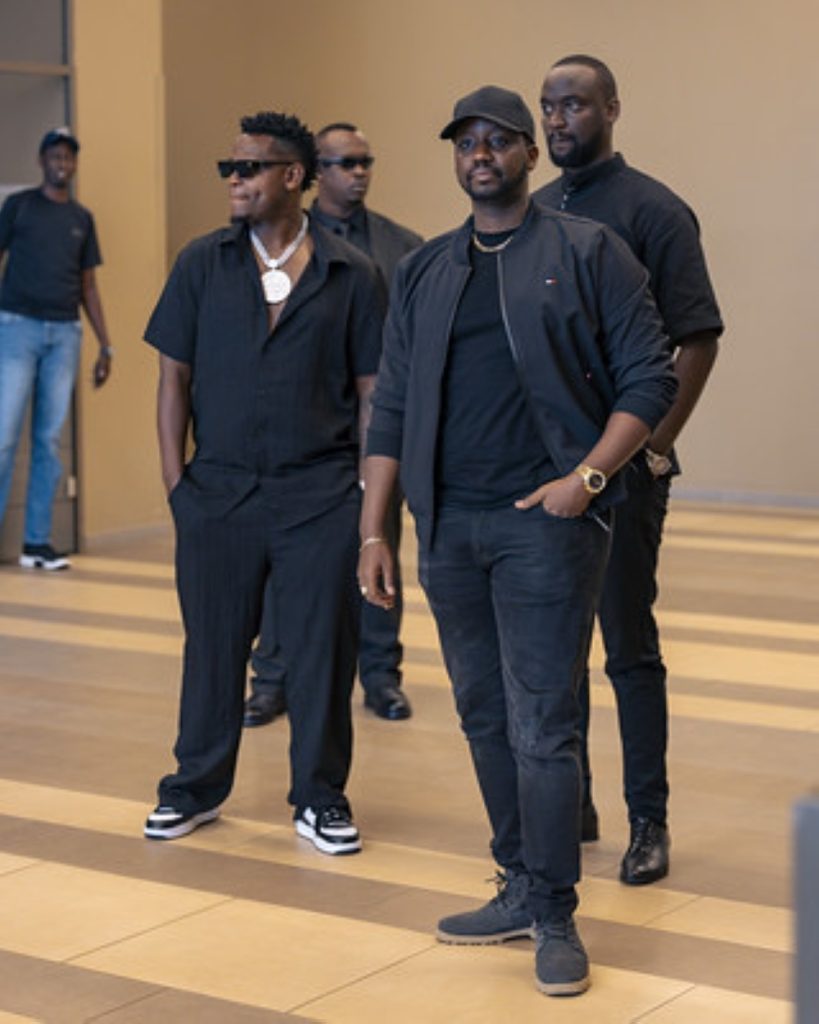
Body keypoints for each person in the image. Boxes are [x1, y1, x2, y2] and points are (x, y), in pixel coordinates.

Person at [358, 86, 676, 997]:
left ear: (530, 154)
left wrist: (587, 481)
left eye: (498, 140)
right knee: (482, 715)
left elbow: (649, 378)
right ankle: (517, 883)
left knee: (543, 724)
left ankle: (555, 913)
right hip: (447, 526)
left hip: (544, 525)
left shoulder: (586, 251)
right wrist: (373, 527)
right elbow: (392, 407)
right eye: (466, 142)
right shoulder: (426, 269)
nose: (480, 155)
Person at [142, 112, 383, 856]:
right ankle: (193, 788)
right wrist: (178, 487)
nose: (233, 179)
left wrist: (365, 507)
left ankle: (320, 798)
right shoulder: (200, 263)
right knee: (212, 648)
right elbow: (172, 381)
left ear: (291, 176)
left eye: (246, 168)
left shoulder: (352, 273)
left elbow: (373, 396)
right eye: (229, 168)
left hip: (320, 495)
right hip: (217, 494)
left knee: (321, 655)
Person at [534, 55, 723, 884]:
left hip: (624, 472)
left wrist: (651, 447)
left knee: (627, 649)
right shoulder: (535, 210)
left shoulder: (654, 210)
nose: (558, 119)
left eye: (573, 104)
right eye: (548, 106)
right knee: (553, 648)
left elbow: (697, 339)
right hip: (545, 472)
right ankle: (570, 805)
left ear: (610, 108)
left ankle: (648, 820)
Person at [244, 122, 422, 728]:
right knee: (281, 561)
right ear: (316, 172)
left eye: (366, 161)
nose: (360, 172)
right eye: (346, 162)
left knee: (379, 545)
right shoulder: (283, 243)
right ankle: (272, 678)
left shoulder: (403, 247)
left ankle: (381, 675)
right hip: (303, 432)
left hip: (377, 428)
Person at [0, 127, 113, 569]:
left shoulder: (82, 219)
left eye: (68, 157)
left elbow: (89, 286)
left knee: (47, 440)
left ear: (74, 163)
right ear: (42, 160)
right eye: (55, 156)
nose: (62, 163)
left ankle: (36, 543)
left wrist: (106, 346)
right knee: (4, 437)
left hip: (65, 333)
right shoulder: (19, 207)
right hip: (17, 328)